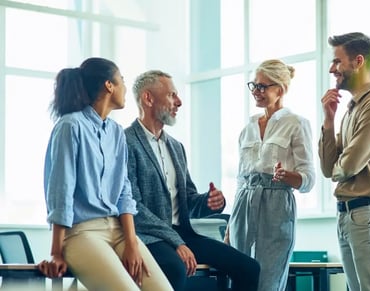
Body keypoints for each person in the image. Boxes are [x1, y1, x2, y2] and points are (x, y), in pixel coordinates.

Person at [39, 57, 173, 291]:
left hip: (119, 231)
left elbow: (124, 191)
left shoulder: (116, 133)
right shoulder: (70, 126)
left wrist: (132, 243)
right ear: (109, 85)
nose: (124, 86)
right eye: (121, 80)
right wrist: (55, 252)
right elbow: (61, 193)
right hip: (82, 233)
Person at [124, 70, 260, 291]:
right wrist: (176, 242)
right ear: (148, 98)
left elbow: (188, 200)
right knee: (175, 268)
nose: (178, 102)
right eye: (171, 95)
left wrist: (208, 202)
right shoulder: (125, 142)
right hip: (149, 236)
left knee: (249, 268)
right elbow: (133, 206)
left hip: (183, 233)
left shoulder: (176, 147)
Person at [318, 32, 370, 291]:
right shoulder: (350, 110)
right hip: (348, 214)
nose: (332, 69)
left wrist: (338, 167)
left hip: (369, 214)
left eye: (337, 62)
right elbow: (327, 167)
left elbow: (349, 165)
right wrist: (329, 121)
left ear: (358, 61)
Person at [227, 59, 316, 291]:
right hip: (243, 206)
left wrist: (286, 176)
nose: (256, 91)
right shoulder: (247, 129)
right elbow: (240, 180)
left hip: (277, 205)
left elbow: (308, 179)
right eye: (254, 85)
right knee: (239, 280)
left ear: (281, 89)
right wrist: (229, 229)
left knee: (269, 282)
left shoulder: (297, 123)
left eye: (263, 86)